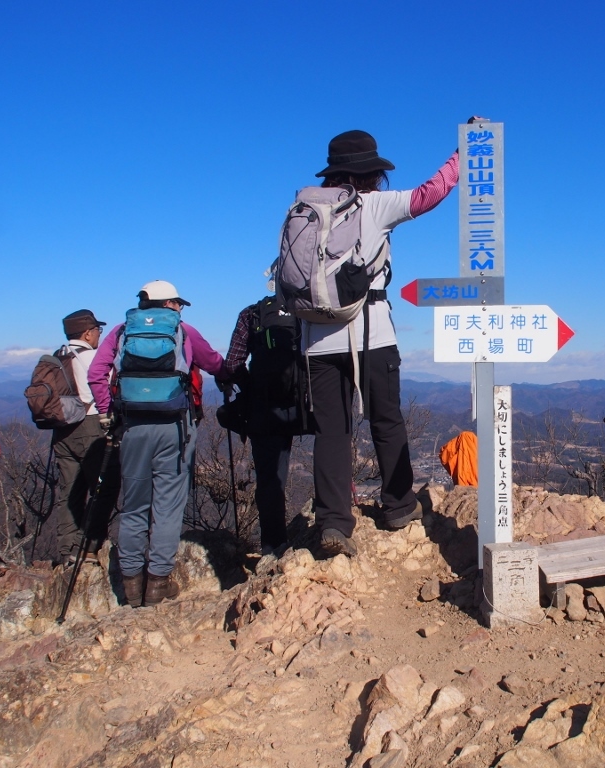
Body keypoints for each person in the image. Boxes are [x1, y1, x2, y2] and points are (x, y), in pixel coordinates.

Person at [301, 128, 462, 557]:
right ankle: (398, 506)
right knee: (386, 421)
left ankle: (334, 523)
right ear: (373, 172)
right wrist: (464, 155)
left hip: (316, 339)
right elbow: (431, 193)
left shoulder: (306, 210)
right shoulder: (373, 204)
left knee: (331, 431)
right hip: (370, 333)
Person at [88, 281, 225, 607]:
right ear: (169, 304)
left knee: (134, 505)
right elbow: (215, 363)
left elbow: (96, 373)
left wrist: (110, 411)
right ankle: (158, 584)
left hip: (133, 427)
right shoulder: (184, 330)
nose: (180, 309)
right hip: (176, 428)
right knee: (168, 507)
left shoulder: (122, 332)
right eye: (178, 303)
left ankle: (132, 586)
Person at [222, 296, 308, 556]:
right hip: (304, 406)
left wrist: (251, 388)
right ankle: (330, 528)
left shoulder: (252, 313)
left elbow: (233, 363)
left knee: (270, 480)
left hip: (263, 408)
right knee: (329, 458)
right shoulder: (308, 313)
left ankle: (273, 547)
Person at [51, 309, 121, 566]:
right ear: (88, 332)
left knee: (70, 491)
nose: (99, 335)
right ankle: (88, 543)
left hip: (62, 430)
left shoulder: (57, 357)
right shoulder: (93, 357)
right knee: (106, 486)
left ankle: (66, 548)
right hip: (91, 424)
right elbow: (112, 385)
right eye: (98, 331)